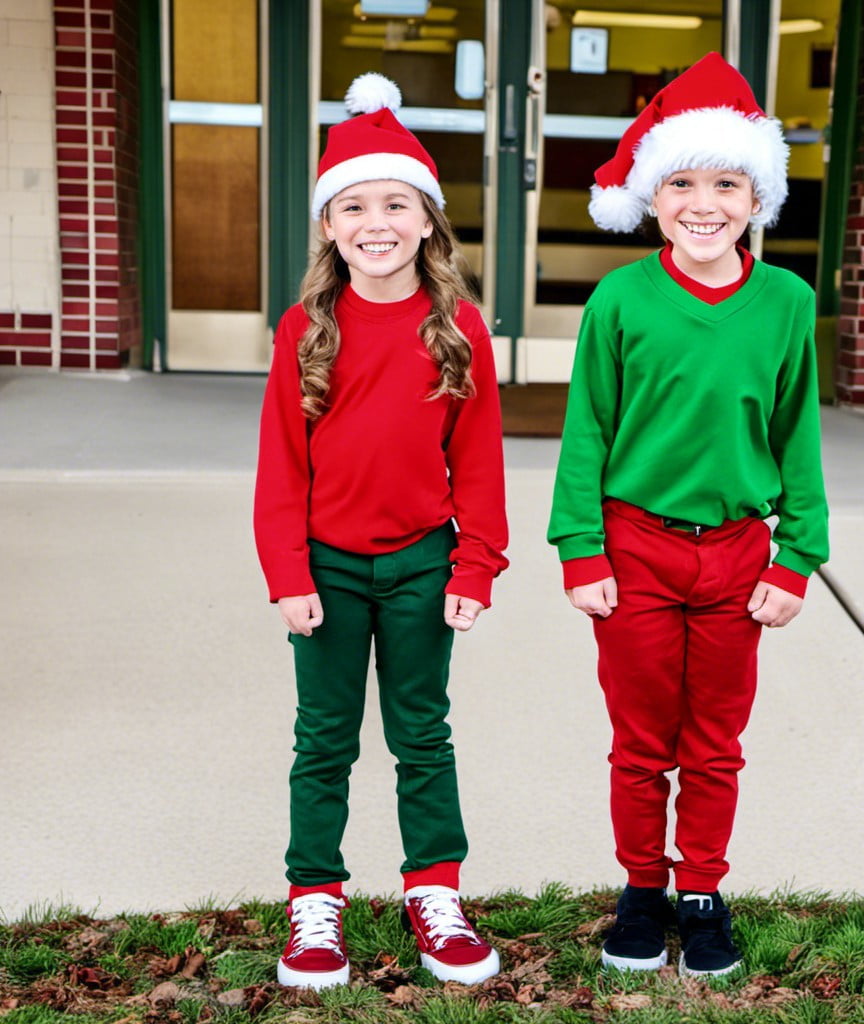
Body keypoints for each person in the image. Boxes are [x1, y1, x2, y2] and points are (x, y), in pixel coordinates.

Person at [548, 52, 829, 978]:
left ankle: (702, 890)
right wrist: (582, 548)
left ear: (758, 199)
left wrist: (798, 557)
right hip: (635, 547)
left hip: (740, 555)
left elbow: (798, 436)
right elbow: (585, 431)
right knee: (640, 739)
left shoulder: (786, 302)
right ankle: (641, 887)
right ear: (651, 195)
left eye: (726, 182)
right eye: (680, 182)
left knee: (714, 740)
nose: (703, 203)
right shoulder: (622, 298)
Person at [254, 72, 508, 991]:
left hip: (419, 568)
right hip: (324, 569)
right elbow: (281, 466)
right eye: (353, 204)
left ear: (428, 220)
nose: (376, 221)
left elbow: (479, 463)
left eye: (396, 203)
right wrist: (288, 571)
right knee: (323, 739)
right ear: (329, 225)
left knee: (421, 734)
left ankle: (433, 890)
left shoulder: (460, 330)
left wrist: (475, 565)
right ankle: (314, 901)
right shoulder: (303, 329)